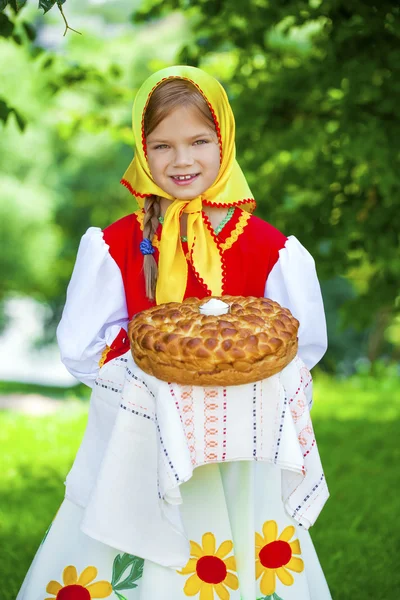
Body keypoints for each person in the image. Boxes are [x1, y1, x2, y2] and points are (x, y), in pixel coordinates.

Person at [17, 66, 331, 600]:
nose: (182, 160)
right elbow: (81, 348)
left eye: (198, 141)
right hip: (143, 439)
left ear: (224, 141)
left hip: (241, 447)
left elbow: (301, 345)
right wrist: (152, 388)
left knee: (236, 540)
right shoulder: (117, 245)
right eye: (162, 145)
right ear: (141, 150)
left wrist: (230, 390)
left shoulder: (268, 246)